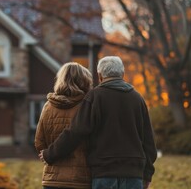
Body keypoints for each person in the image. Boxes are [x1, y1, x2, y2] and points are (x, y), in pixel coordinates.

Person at [39, 56, 157, 189]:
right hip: (133, 173)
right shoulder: (138, 99)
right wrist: (147, 175)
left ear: (100, 75)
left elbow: (76, 132)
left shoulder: (95, 97)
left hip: (104, 172)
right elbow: (149, 142)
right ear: (122, 74)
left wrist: (50, 154)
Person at [35, 62, 93, 189]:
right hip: (80, 179)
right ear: (84, 81)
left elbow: (39, 142)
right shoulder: (87, 106)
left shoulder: (48, 106)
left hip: (52, 179)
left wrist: (50, 154)